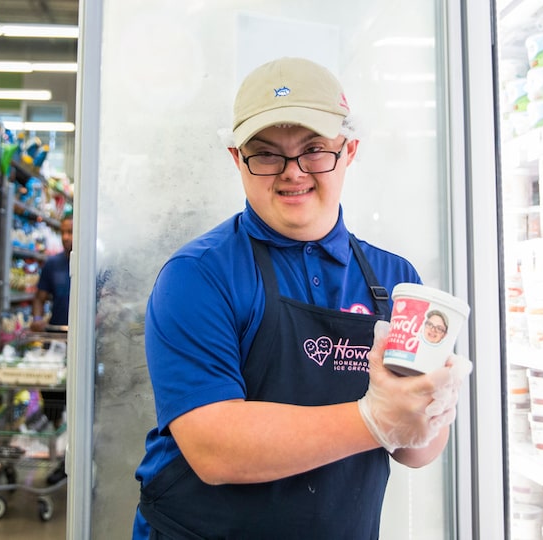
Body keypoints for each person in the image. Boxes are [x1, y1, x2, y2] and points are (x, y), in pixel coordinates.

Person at [133, 57, 472, 539]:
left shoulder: (396, 282)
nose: (292, 174)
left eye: (314, 150)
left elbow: (415, 451)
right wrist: (376, 418)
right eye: (267, 154)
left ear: (349, 150)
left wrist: (431, 407)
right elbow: (214, 449)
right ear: (237, 158)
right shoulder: (198, 276)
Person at [31, 214, 73, 331]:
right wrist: (37, 319)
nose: (65, 237)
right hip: (57, 332)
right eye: (63, 232)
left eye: (70, 232)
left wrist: (93, 324)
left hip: (85, 335)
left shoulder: (91, 267)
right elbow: (40, 298)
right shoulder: (52, 264)